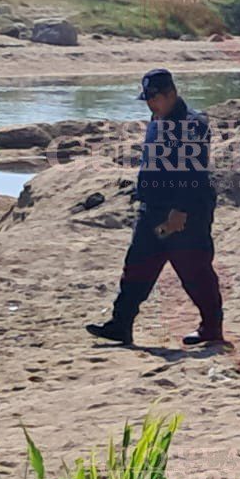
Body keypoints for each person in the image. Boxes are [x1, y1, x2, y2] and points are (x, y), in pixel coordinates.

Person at [87, 69, 224, 347]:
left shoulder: (192, 123)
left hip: (184, 214)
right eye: (148, 100)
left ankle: (212, 329)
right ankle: (120, 325)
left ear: (172, 94)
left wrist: (180, 210)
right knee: (137, 268)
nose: (151, 104)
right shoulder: (157, 119)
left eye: (156, 99)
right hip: (152, 209)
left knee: (194, 272)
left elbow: (193, 173)